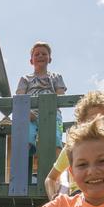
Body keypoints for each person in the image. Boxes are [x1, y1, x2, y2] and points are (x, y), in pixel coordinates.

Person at [43, 91, 104, 200]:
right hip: (80, 195)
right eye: (92, 120)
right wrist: (53, 197)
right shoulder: (74, 147)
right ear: (81, 123)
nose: (99, 125)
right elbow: (51, 178)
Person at [16, 41, 67, 177]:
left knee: (55, 140)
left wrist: (49, 111)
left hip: (52, 113)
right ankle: (22, 174)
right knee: (25, 138)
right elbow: (20, 98)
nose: (40, 56)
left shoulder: (56, 77)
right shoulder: (26, 79)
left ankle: (57, 175)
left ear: (49, 59)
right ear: (31, 60)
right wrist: (27, 112)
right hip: (30, 115)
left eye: (44, 54)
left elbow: (60, 96)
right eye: (36, 54)